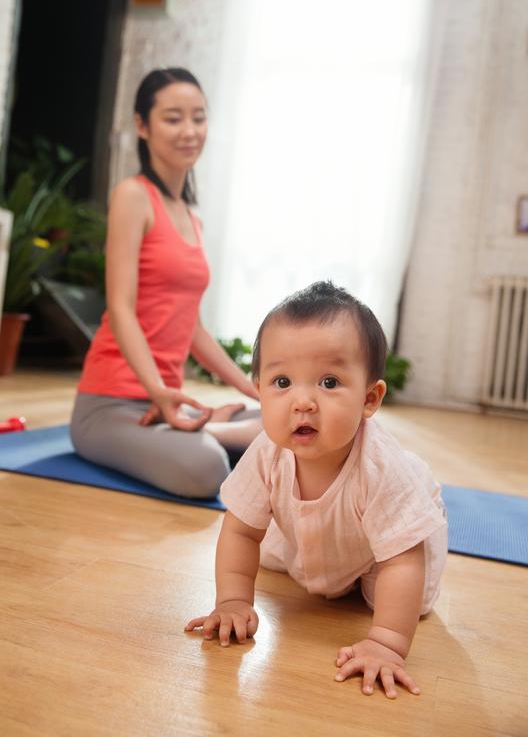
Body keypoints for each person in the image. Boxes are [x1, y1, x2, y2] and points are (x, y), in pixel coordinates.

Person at [185, 281, 447, 699]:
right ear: (259, 391)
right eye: (282, 381)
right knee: (269, 549)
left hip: (389, 545)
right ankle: (321, 557)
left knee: (402, 600)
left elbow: (402, 562)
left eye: (328, 382)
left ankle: (371, 595)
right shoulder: (267, 452)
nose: (302, 401)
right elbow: (240, 531)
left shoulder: (383, 470)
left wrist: (386, 643)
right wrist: (233, 601)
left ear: (369, 398)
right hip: (315, 530)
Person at [71, 67, 261, 499]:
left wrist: (252, 387)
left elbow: (191, 328)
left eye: (199, 117)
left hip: (166, 407)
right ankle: (212, 429)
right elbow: (120, 306)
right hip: (111, 406)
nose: (189, 131)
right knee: (206, 467)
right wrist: (157, 390)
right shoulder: (133, 196)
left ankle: (212, 426)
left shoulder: (192, 218)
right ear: (142, 125)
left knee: (283, 425)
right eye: (173, 118)